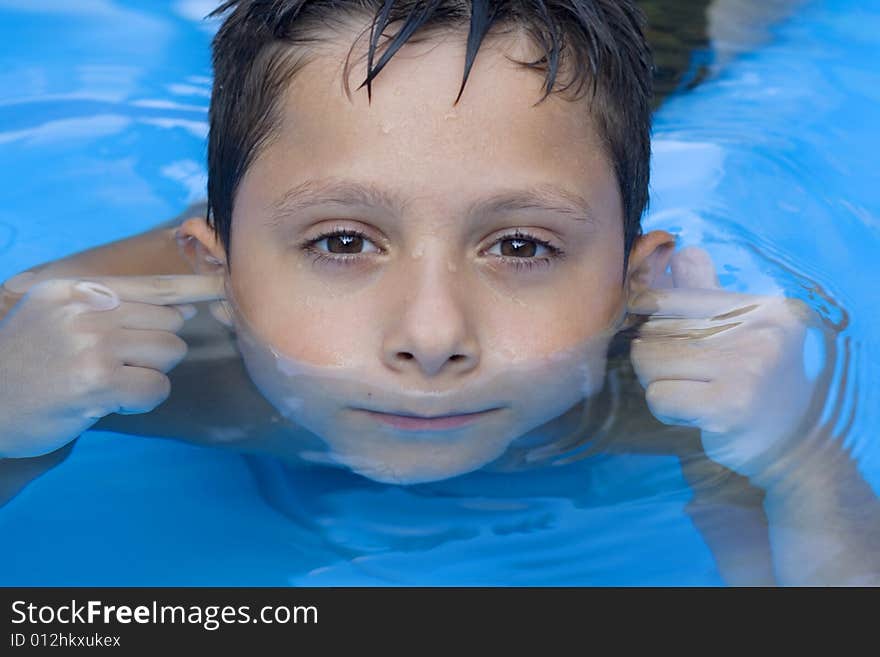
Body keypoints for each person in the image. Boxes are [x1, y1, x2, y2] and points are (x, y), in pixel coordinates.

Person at [0, 0, 877, 585]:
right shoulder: (93, 340)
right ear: (212, 267)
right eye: (342, 243)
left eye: (521, 245)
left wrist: (803, 458)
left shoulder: (677, 386)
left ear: (632, 280)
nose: (431, 334)